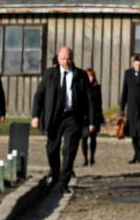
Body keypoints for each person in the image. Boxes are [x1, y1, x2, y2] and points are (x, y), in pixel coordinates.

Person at [30, 46, 96, 192]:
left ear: (72, 57)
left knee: (69, 149)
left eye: (69, 58)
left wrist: (91, 121)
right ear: (58, 59)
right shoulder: (50, 74)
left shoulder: (81, 75)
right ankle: (55, 172)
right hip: (54, 117)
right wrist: (35, 116)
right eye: (63, 59)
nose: (66, 61)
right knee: (51, 149)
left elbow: (90, 99)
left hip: (73, 117)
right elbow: (39, 96)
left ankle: (63, 182)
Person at [79, 67, 104, 166]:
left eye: (91, 76)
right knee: (84, 138)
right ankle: (85, 158)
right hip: (84, 116)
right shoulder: (81, 88)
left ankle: (92, 157)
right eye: (88, 76)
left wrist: (99, 115)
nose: (90, 78)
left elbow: (99, 102)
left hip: (95, 115)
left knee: (93, 137)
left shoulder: (97, 87)